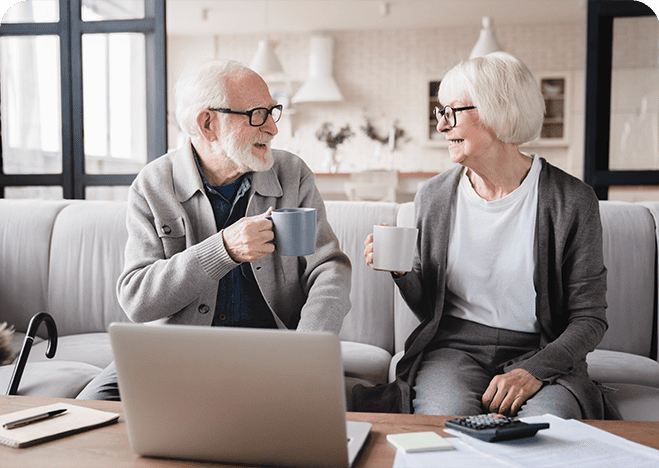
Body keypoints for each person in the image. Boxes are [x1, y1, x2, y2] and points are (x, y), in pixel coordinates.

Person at [356, 52, 619, 420]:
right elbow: (429, 310)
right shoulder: (434, 196)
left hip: (538, 351)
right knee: (446, 423)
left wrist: (535, 371)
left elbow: (590, 319)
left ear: (504, 115)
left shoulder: (571, 200)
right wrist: (401, 272)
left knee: (550, 431)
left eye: (453, 113)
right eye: (440, 113)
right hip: (453, 351)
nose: (442, 126)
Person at [77, 59, 351, 400]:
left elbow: (329, 269)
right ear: (208, 123)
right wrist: (223, 250)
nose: (272, 128)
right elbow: (137, 299)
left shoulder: (292, 174)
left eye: (272, 111)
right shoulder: (153, 185)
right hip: (172, 352)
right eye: (257, 114)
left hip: (271, 348)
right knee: (95, 405)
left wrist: (307, 348)